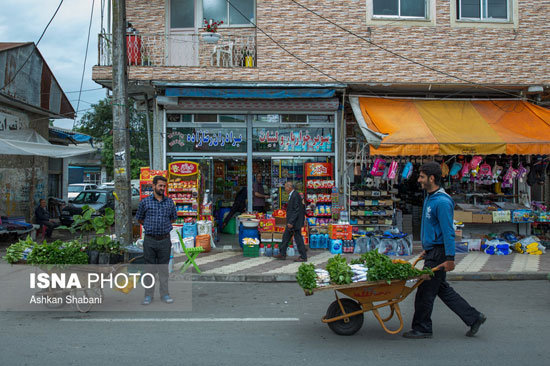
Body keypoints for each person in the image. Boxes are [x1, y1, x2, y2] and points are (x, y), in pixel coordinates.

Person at [403, 162, 486, 339]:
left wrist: (450, 258)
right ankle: (474, 317)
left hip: (440, 253)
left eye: (422, 177)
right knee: (442, 289)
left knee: (425, 292)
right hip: (434, 251)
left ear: (431, 178)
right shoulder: (430, 197)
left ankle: (423, 328)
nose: (418, 180)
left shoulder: (441, 201)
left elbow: (448, 232)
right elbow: (434, 229)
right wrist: (428, 248)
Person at [135, 175, 177, 305]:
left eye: (164, 186)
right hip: (150, 240)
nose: (162, 188)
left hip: (164, 240)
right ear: (153, 186)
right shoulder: (145, 202)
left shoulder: (169, 202)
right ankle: (148, 295)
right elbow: (139, 219)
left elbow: (173, 218)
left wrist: (162, 227)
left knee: (164, 269)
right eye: (160, 185)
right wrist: (150, 226)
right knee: (149, 269)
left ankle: (165, 294)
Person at [273, 181, 307, 262]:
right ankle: (282, 253)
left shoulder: (295, 195)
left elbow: (296, 210)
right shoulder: (293, 194)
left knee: (298, 239)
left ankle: (303, 256)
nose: (285, 189)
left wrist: (291, 222)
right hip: (293, 222)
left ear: (290, 187)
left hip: (294, 223)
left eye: (286, 187)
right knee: (286, 237)